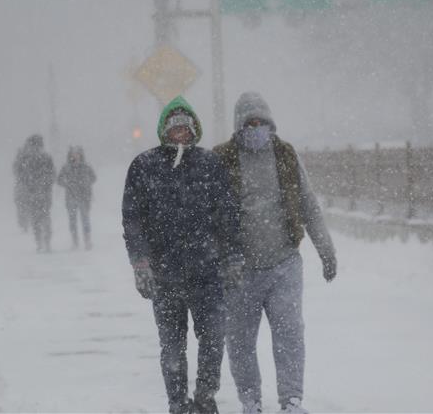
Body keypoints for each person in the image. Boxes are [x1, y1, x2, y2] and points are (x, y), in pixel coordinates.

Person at [213, 92, 338, 414]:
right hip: (239, 270)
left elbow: (308, 204)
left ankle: (291, 400)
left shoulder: (285, 155)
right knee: (240, 342)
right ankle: (251, 400)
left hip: (283, 264)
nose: (255, 128)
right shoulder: (221, 159)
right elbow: (206, 213)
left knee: (290, 336)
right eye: (249, 123)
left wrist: (326, 250)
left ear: (270, 124)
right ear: (238, 126)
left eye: (261, 122)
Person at [122, 96, 243, 414]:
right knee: (173, 346)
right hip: (164, 275)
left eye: (186, 127)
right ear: (164, 130)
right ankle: (177, 402)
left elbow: (227, 215)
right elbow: (133, 219)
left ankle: (205, 397)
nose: (180, 133)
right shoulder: (144, 166)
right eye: (174, 128)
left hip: (207, 271)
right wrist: (140, 262)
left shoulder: (210, 164)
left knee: (214, 337)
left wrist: (231, 258)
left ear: (195, 130)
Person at [15, 134, 55, 252]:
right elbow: (52, 174)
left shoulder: (26, 158)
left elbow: (20, 175)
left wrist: (29, 185)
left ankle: (40, 242)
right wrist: (46, 185)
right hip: (43, 192)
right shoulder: (46, 157)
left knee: (36, 218)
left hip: (33, 193)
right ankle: (46, 241)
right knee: (45, 216)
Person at [57, 145, 97, 250]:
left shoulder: (86, 166)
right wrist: (67, 184)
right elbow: (59, 180)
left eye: (77, 154)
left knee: (85, 220)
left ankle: (87, 240)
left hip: (84, 197)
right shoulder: (66, 167)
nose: (75, 156)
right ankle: (75, 242)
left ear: (81, 155)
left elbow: (93, 177)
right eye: (73, 154)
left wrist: (86, 183)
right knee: (72, 220)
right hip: (71, 197)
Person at [12, 143, 30, 232]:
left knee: (21, 205)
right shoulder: (29, 160)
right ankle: (25, 222)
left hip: (22, 186)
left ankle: (23, 222)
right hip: (25, 186)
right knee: (24, 205)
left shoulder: (18, 162)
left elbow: (14, 172)